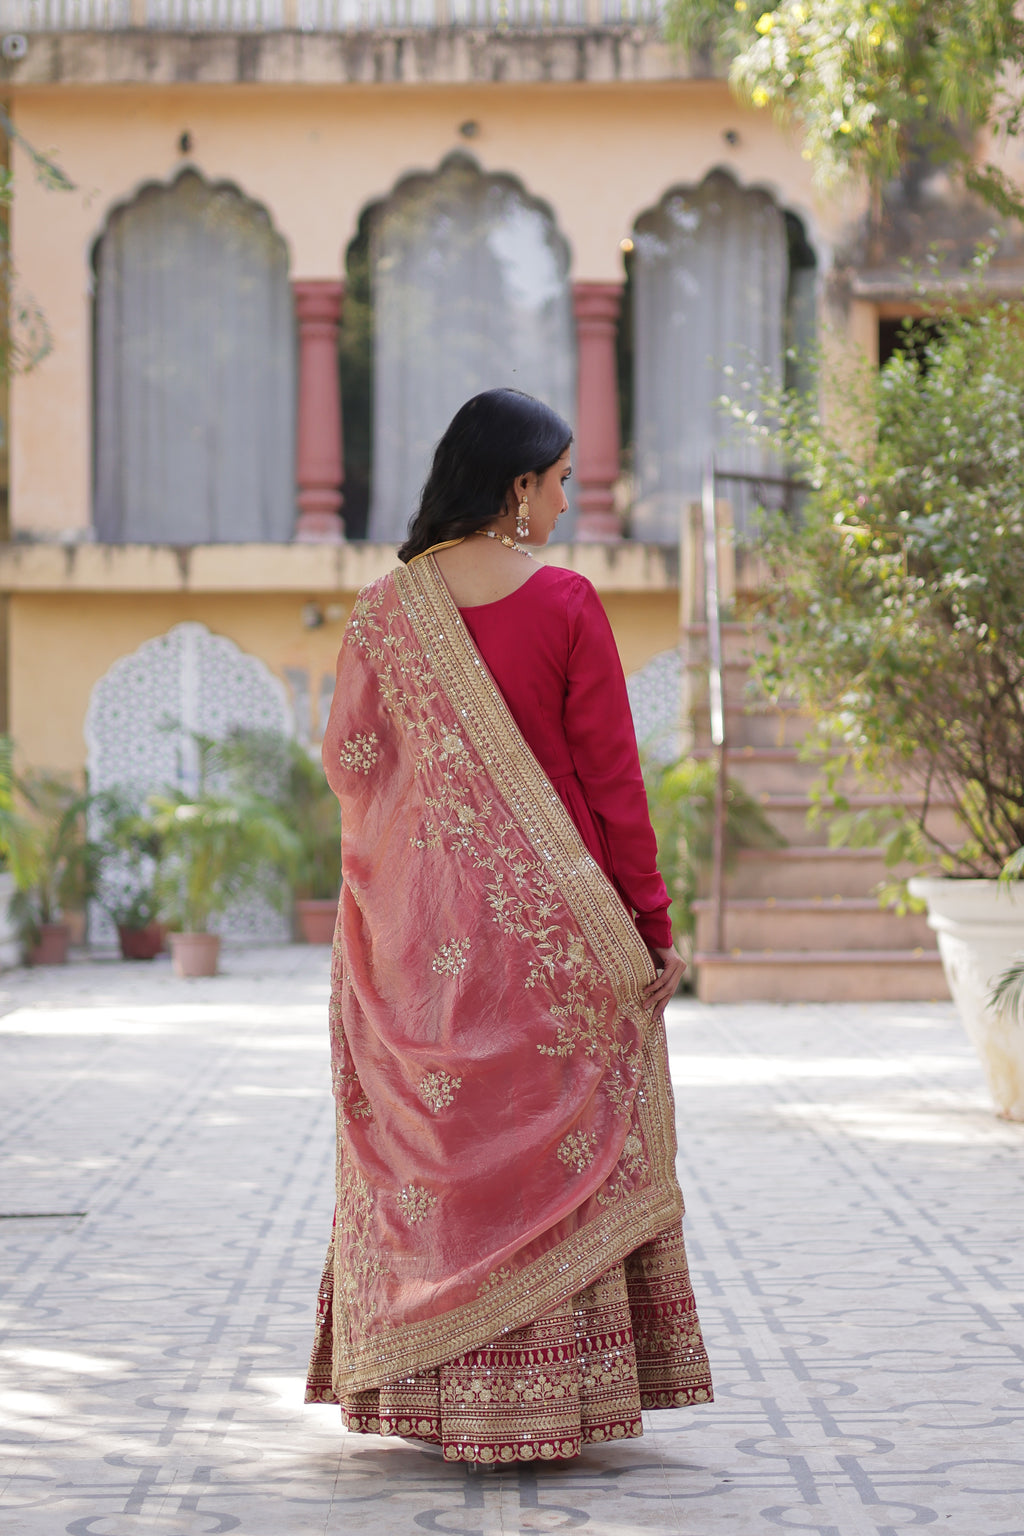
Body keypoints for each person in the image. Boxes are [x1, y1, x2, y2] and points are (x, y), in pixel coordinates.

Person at [305, 388, 712, 1465]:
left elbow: (353, 775)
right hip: (554, 948)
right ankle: (548, 1400)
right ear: (516, 486)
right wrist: (650, 925)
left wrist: (393, 901)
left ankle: (439, 1396)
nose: (571, 498)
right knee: (556, 1167)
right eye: (563, 478)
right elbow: (611, 785)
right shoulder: (566, 602)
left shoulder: (385, 613)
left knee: (445, 1153)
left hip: (428, 954)